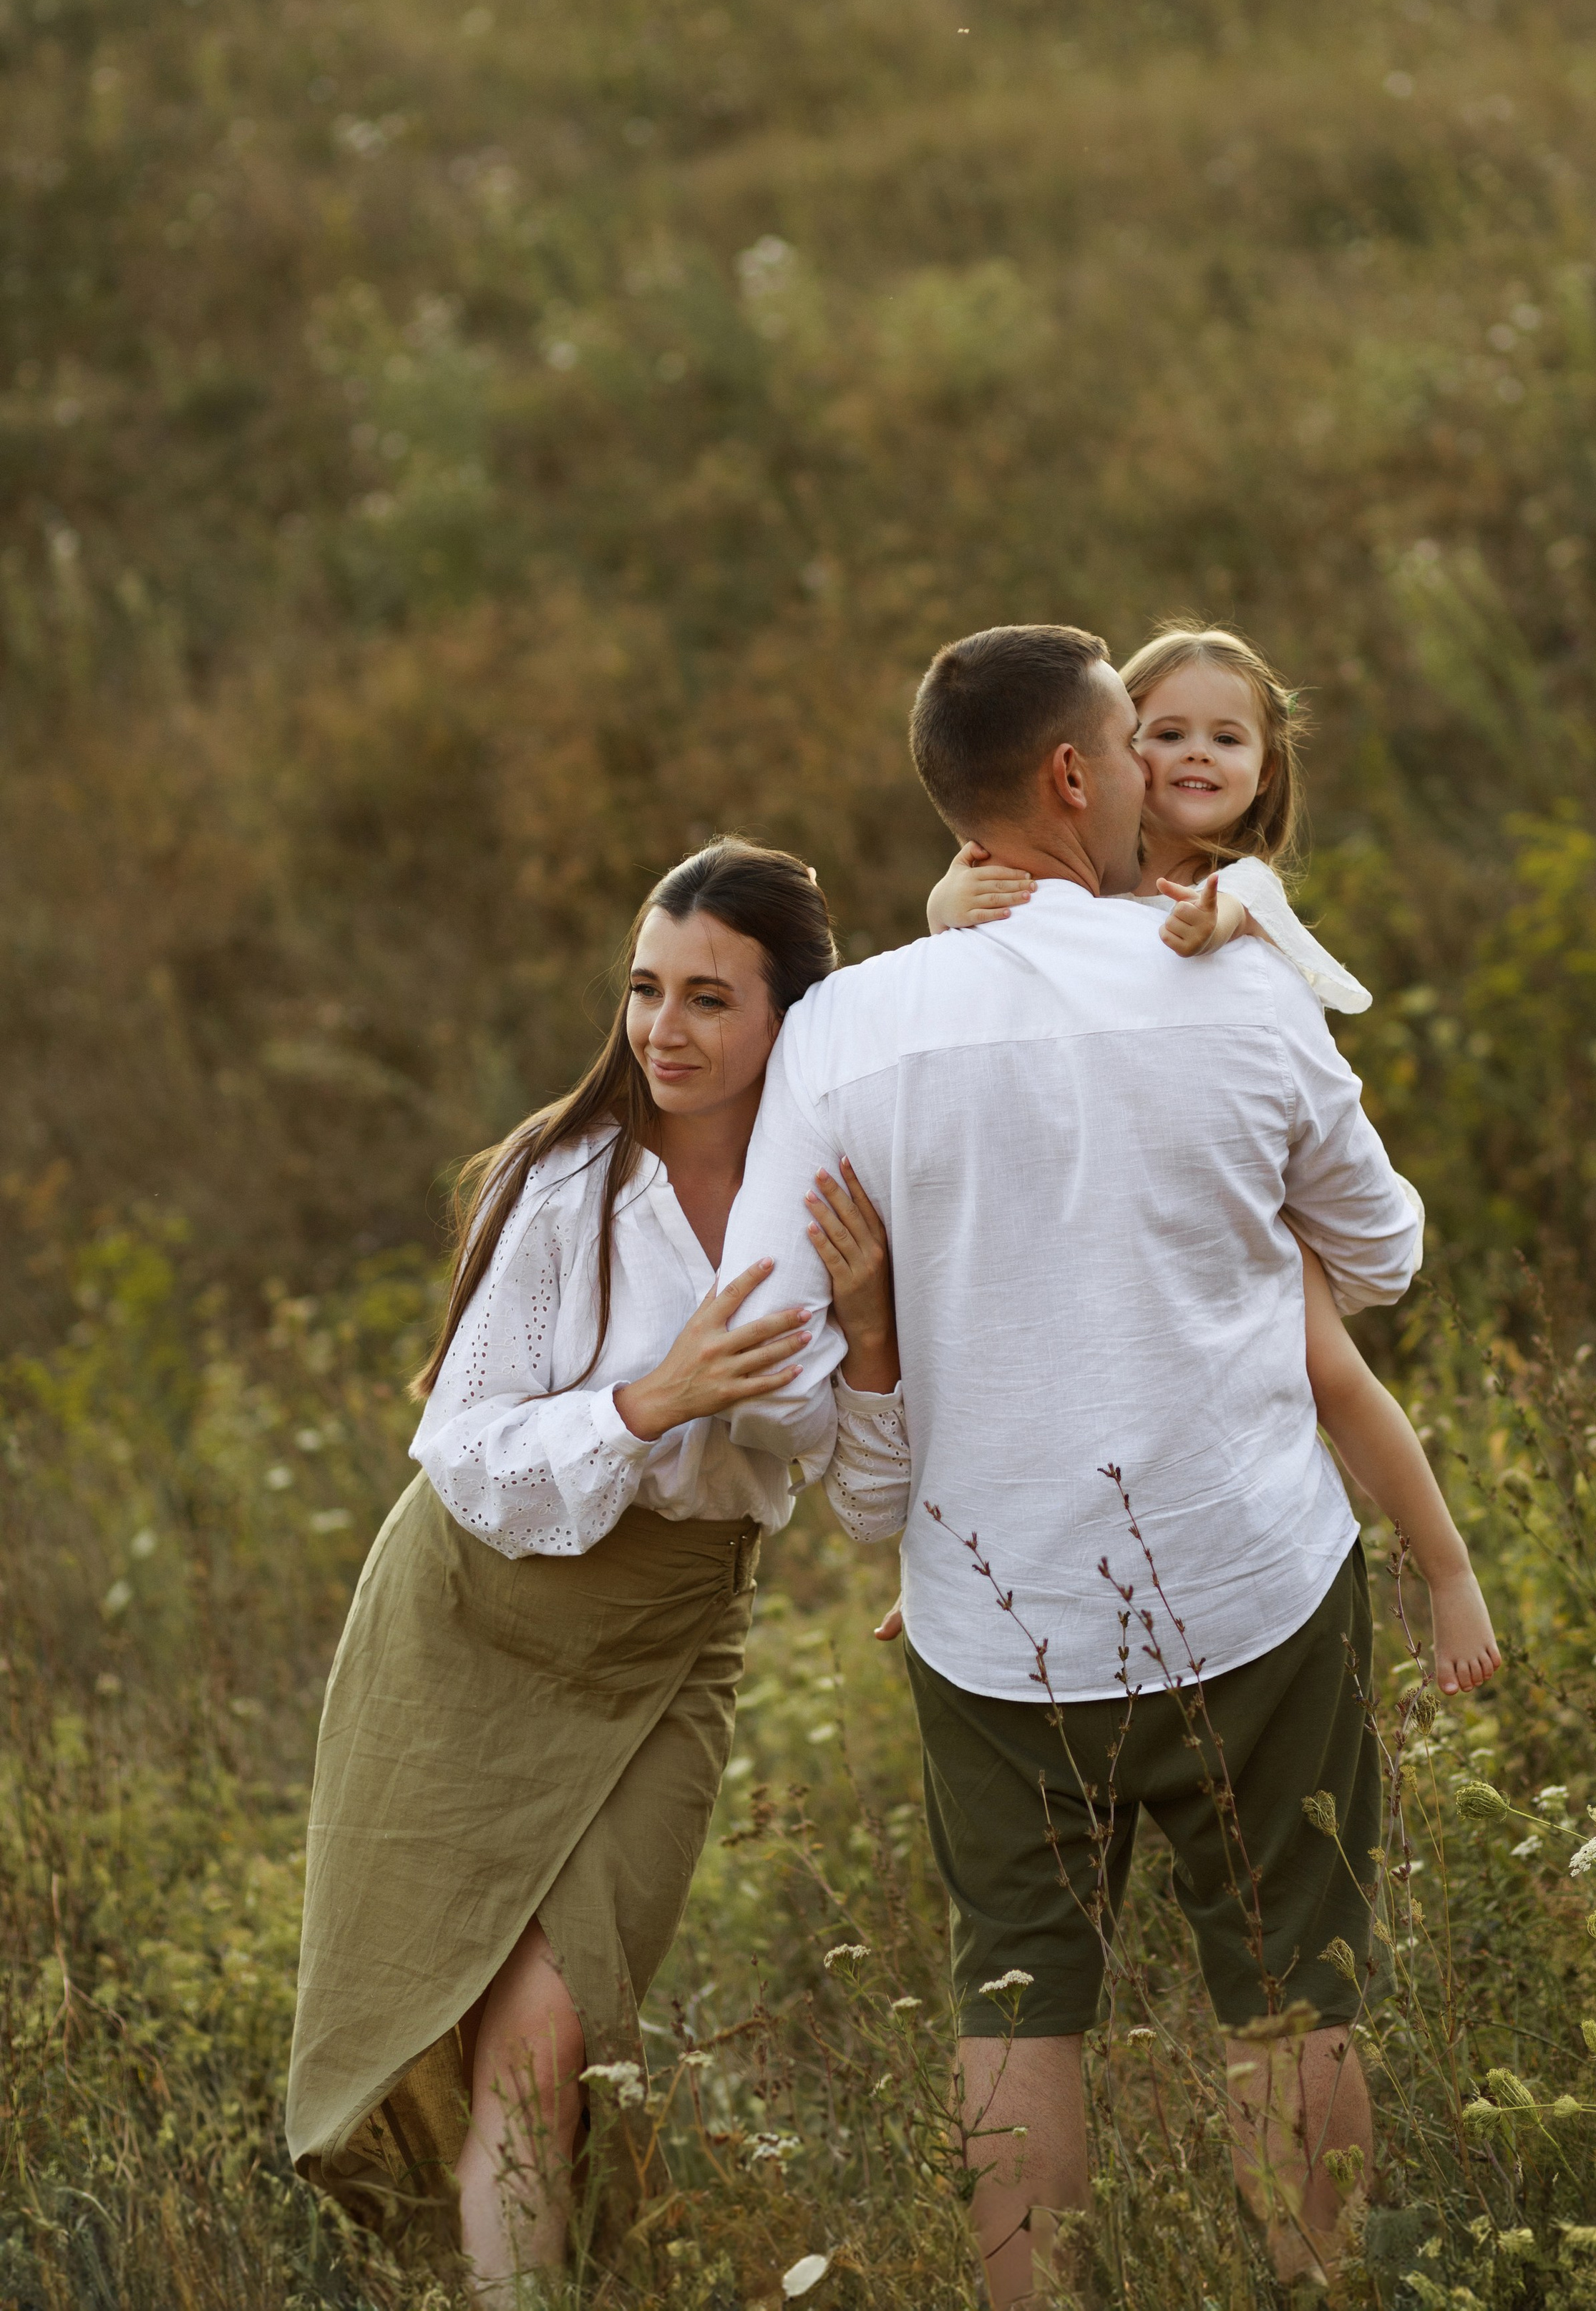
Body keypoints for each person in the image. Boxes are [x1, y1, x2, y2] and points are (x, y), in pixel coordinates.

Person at [718, 624, 1428, 2304]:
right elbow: (1381, 1252)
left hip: (990, 1611)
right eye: (1128, 744)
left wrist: (885, 1379)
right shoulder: (1233, 979)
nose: (1149, 778)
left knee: (1017, 1999)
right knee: (1289, 1984)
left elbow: (763, 1329)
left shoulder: (844, 1031)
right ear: (1068, 776)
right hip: (1248, 1576)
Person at [285, 840, 898, 2305]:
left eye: (706, 997)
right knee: (456, 2021)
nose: (661, 1029)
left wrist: (870, 1312)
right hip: (466, 1623)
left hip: (669, 1644)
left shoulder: (837, 1204)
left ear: (787, 1021)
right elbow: (465, 1447)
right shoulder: (563, 1184)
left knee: (553, 2028)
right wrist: (654, 1397)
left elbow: (874, 1490)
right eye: (643, 988)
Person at [927, 622, 1499, 1697]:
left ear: (1265, 769)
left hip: (1242, 1198)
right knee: (1033, 1368)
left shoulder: (1240, 890)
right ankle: (957, 1571)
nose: (1196, 755)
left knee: (1327, 1369)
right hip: (1111, 1190)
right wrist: (943, 902)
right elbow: (975, 928)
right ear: (1101, 756)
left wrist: (1220, 921)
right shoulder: (1077, 878)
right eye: (1165, 731)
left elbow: (1274, 939)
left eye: (1227, 739)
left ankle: (1447, 1566)